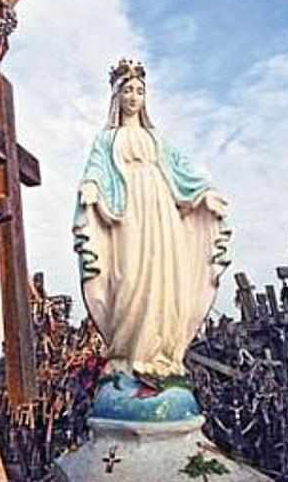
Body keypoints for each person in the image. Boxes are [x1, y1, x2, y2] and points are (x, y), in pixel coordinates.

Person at [73, 57, 231, 381]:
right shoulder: (107, 138)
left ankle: (162, 354)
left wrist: (205, 193)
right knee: (130, 275)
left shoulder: (157, 138)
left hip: (161, 208)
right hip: (128, 210)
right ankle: (127, 355)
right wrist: (91, 186)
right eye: (127, 90)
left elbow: (183, 170)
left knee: (164, 275)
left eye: (139, 91)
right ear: (117, 96)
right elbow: (97, 167)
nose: (133, 97)